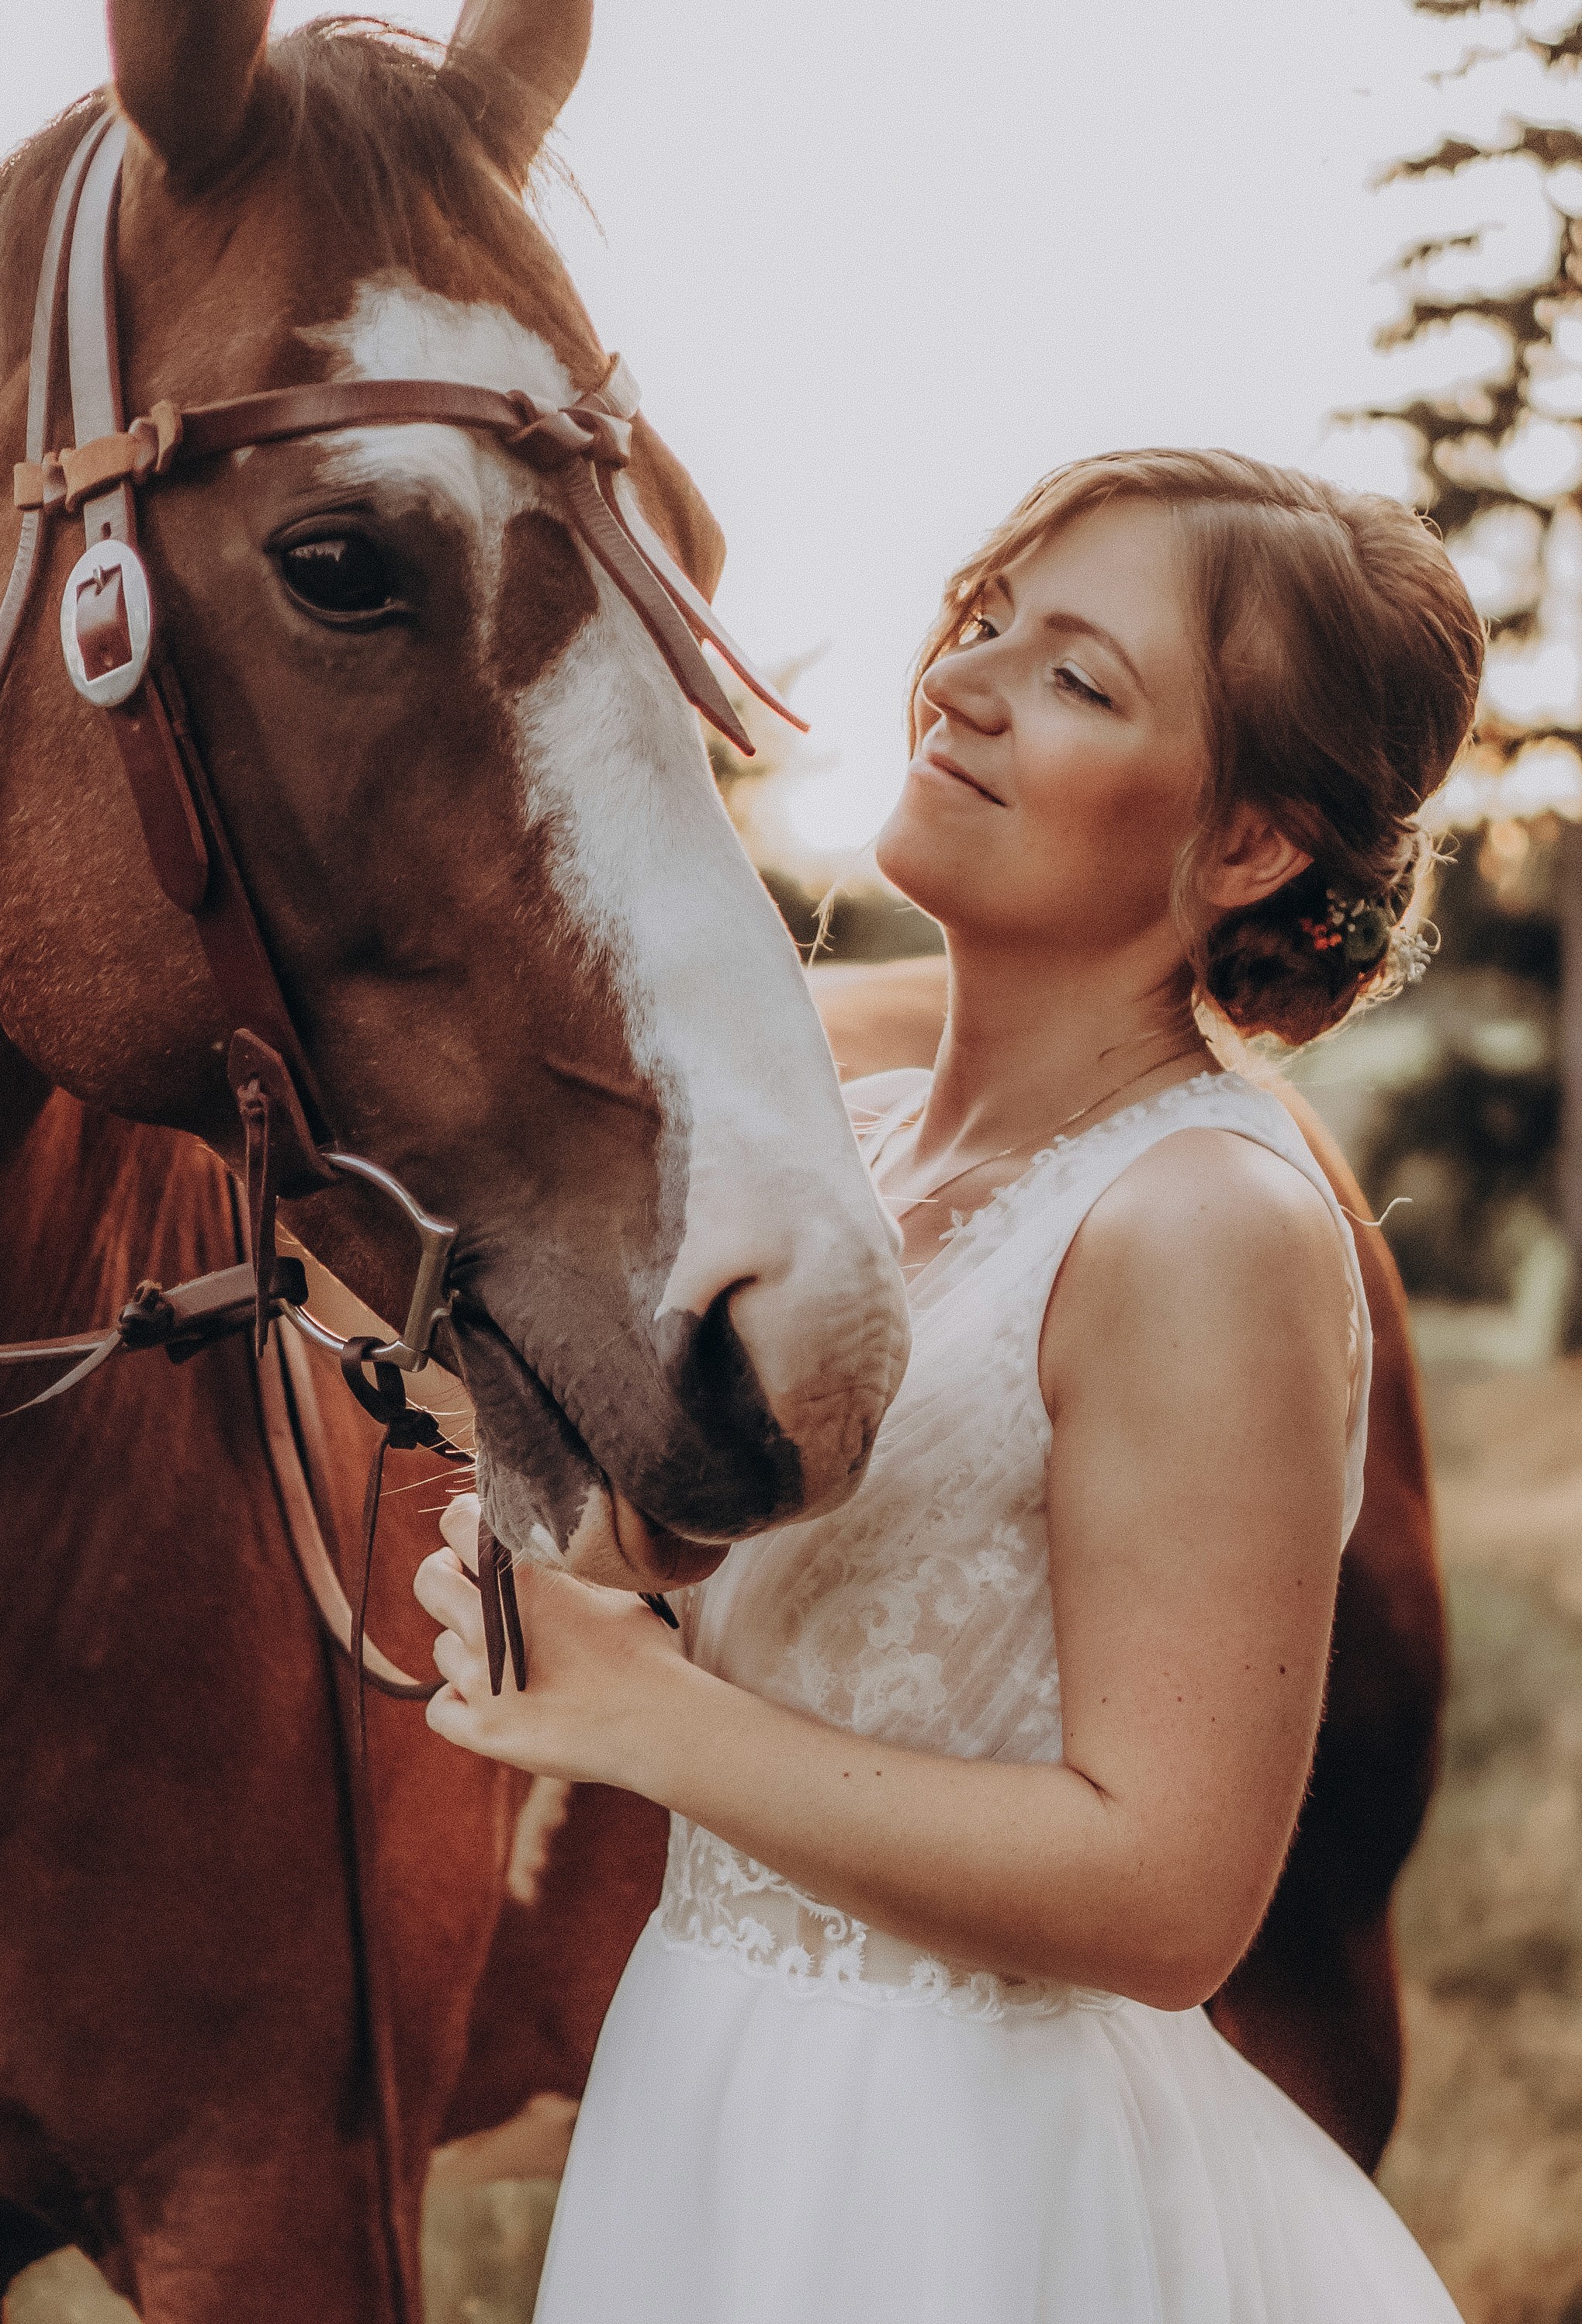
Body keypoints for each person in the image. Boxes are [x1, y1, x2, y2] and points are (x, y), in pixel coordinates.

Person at [416, 448, 1480, 2322]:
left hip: (961, 2179)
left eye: (1077, 675)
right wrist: (569, 1583)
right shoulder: (862, 1155)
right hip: (707, 2099)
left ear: (1248, 846)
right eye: (982, 618)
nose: (963, 681)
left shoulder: (1202, 1220)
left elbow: (1169, 1896)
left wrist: (647, 1721)